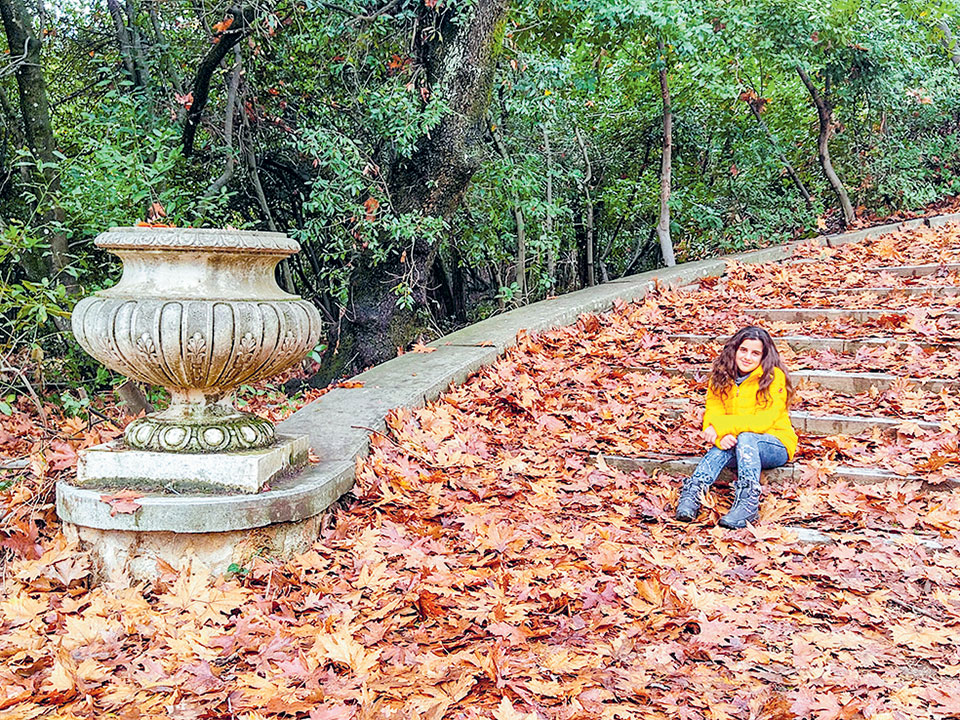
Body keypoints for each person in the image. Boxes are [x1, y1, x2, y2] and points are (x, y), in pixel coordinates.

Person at [675, 326, 798, 529]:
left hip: (774, 444)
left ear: (764, 356)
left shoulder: (774, 377)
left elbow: (762, 422)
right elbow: (713, 412)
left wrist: (721, 427)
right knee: (722, 447)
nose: (748, 357)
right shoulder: (722, 375)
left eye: (755, 353)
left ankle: (748, 503)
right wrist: (718, 438)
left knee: (747, 437)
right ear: (734, 350)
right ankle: (693, 493)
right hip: (737, 442)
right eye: (743, 350)